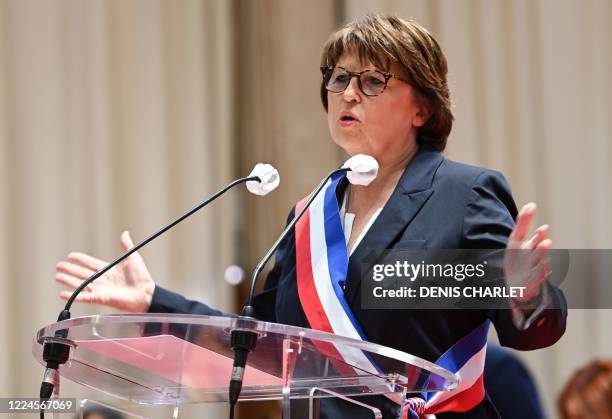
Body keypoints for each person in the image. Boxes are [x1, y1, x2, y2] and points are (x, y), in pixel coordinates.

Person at [56, 14, 566, 418]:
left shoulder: (465, 192)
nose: (347, 93)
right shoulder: (308, 215)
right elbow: (257, 342)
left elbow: (532, 332)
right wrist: (153, 303)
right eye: (339, 78)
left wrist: (522, 293)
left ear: (423, 108)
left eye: (372, 81)